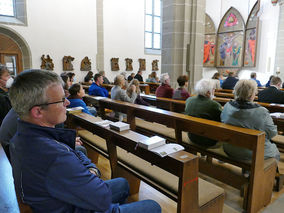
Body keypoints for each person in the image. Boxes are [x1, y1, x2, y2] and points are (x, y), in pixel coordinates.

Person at [8, 69, 161, 213]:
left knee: (122, 184)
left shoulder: (21, 136)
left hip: (60, 200)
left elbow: (70, 158)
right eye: (62, 100)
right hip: (75, 207)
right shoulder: (54, 155)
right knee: (153, 206)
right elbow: (101, 196)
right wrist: (91, 170)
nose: (67, 103)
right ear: (38, 111)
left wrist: (74, 154)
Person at [221, 79, 280, 161]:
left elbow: (222, 120)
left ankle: (247, 171)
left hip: (229, 147)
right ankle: (267, 173)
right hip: (252, 152)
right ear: (252, 94)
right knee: (275, 152)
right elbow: (272, 133)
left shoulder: (227, 106)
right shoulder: (261, 111)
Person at [185, 79, 222, 147]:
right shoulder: (214, 105)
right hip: (207, 140)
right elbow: (221, 122)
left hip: (192, 136)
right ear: (208, 92)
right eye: (213, 89)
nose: (214, 91)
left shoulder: (189, 100)